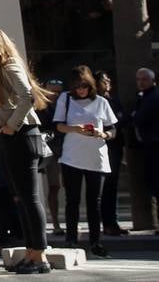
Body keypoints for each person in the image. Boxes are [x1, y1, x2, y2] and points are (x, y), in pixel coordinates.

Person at [0, 27, 52, 275]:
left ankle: (39, 255)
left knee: (30, 198)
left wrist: (11, 125)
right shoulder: (1, 68)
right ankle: (31, 251)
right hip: (10, 137)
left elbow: (27, 96)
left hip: (21, 136)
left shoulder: (9, 66)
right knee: (21, 196)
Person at [54, 64, 115, 257]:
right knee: (72, 200)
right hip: (72, 157)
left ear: (90, 84)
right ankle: (71, 239)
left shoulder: (101, 102)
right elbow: (58, 126)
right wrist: (75, 129)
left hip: (96, 158)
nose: (80, 90)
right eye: (77, 86)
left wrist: (103, 134)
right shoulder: (65, 99)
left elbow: (113, 129)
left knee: (94, 202)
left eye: (84, 86)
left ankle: (95, 242)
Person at [93, 71, 127, 236]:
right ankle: (107, 223)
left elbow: (121, 119)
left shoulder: (112, 100)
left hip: (116, 146)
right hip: (105, 148)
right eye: (104, 80)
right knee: (106, 187)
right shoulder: (98, 101)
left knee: (112, 187)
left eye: (108, 80)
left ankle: (112, 221)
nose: (107, 82)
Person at [36, 78, 65, 234]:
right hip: (51, 150)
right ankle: (56, 224)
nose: (54, 95)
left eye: (58, 92)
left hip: (68, 149)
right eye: (51, 91)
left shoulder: (67, 105)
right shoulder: (40, 107)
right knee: (54, 187)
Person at [130, 67, 159, 219]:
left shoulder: (153, 97)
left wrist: (134, 115)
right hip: (148, 145)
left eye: (144, 79)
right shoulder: (143, 97)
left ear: (153, 80)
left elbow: (139, 118)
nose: (141, 82)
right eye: (138, 79)